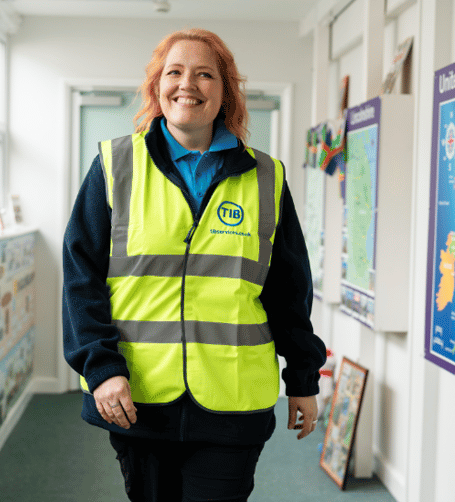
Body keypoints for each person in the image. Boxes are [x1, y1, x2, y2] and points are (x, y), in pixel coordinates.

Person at [63, 28, 326, 502]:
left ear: (224, 91)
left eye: (205, 74)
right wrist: (100, 368)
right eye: (175, 72)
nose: (188, 84)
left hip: (233, 400)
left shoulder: (266, 177)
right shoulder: (115, 165)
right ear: (156, 87)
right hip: (139, 398)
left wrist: (303, 378)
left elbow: (290, 288)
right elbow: (81, 279)